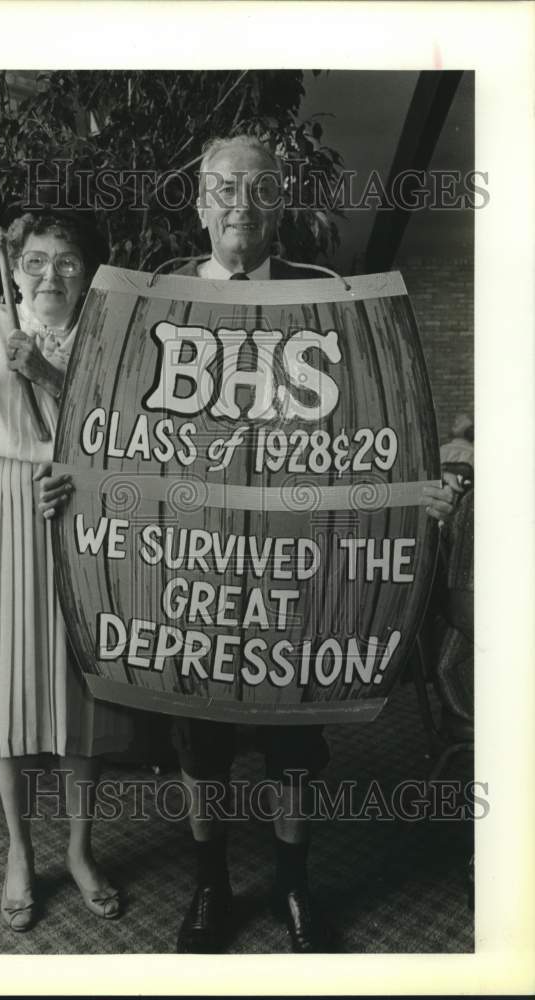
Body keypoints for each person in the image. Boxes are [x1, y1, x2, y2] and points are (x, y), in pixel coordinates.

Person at [169, 135, 459, 953]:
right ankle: (208, 886)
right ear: (198, 200)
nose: (240, 205)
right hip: (190, 564)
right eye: (224, 188)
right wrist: (67, 487)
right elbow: (114, 434)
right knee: (202, 747)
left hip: (300, 570)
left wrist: (418, 493)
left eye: (259, 190)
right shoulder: (156, 296)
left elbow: (375, 423)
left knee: (296, 744)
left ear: (280, 205)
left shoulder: (330, 295)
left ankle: (294, 889)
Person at [0, 207, 132, 932]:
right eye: (37, 261)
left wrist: (46, 372)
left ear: (87, 275)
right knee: (9, 687)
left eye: (68, 262)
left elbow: (122, 434)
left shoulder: (106, 333)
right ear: (13, 270)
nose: (51, 275)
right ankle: (19, 851)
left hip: (77, 508)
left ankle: (78, 850)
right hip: (1, 509)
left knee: (81, 690)